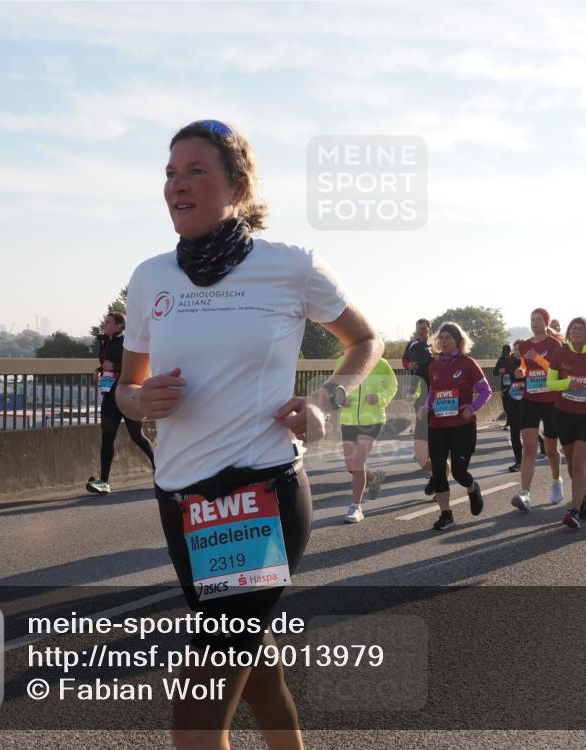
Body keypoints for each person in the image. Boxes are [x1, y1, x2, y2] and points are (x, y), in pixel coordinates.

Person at [116, 119, 382, 749]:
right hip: (180, 497)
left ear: (237, 186)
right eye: (170, 173)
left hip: (259, 489)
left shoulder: (289, 266)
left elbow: (365, 340)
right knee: (253, 663)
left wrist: (326, 398)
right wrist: (138, 398)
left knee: (199, 700)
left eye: (195, 171)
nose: (177, 185)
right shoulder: (150, 277)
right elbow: (126, 389)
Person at [420, 322, 490, 530]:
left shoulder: (468, 363)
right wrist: (427, 406)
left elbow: (485, 390)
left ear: (458, 341)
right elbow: (434, 391)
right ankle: (446, 514)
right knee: (439, 472)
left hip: (462, 426)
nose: (443, 341)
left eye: (448, 338)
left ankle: (472, 487)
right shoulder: (434, 365)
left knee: (459, 472)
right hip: (438, 424)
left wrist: (473, 406)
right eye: (440, 338)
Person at [545, 318, 586, 529]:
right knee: (572, 463)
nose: (576, 331)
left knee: (579, 463)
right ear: (569, 332)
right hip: (563, 413)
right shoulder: (560, 353)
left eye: (580, 328)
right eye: (573, 328)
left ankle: (573, 511)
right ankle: (585, 495)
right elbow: (550, 382)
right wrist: (567, 383)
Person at [85, 311, 155, 494]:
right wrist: (100, 369)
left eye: (108, 322)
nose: (104, 324)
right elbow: (107, 363)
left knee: (137, 436)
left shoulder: (127, 343)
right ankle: (104, 482)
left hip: (125, 396)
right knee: (107, 438)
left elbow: (137, 365)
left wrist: (113, 367)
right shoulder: (105, 341)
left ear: (118, 326)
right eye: (105, 321)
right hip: (110, 397)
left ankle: (160, 467)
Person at [510, 308, 566, 512]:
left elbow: (557, 370)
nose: (535, 322)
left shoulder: (555, 344)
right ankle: (525, 493)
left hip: (551, 400)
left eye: (539, 319)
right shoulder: (524, 345)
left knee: (551, 449)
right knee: (529, 447)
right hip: (530, 398)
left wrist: (538, 358)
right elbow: (525, 365)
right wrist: (521, 370)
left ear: (546, 323)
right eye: (532, 319)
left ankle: (556, 480)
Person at [335, 354, 397, 522]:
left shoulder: (382, 364)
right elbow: (335, 387)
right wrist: (340, 400)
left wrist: (379, 398)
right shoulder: (342, 361)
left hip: (373, 419)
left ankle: (355, 507)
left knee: (357, 463)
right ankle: (374, 477)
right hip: (348, 419)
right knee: (351, 466)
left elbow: (392, 387)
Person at [402, 318, 435, 493]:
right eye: (418, 328)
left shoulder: (435, 344)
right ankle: (430, 470)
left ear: (429, 329)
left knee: (433, 432)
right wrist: (410, 365)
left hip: (435, 393)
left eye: (424, 328)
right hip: (418, 393)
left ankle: (435, 476)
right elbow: (404, 361)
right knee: (422, 430)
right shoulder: (412, 345)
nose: (421, 331)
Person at [496, 341, 525, 471]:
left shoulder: (530, 361)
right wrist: (505, 390)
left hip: (527, 401)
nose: (518, 351)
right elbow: (504, 376)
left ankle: (541, 442)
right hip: (513, 399)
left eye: (521, 349)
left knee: (526, 429)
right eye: (516, 349)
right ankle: (519, 461)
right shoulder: (509, 361)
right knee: (514, 432)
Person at [493, 343, 513, 429]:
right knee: (505, 405)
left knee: (511, 404)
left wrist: (508, 370)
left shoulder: (513, 359)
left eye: (507, 352)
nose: (506, 354)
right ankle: (509, 421)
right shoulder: (501, 360)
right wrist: (500, 371)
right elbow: (494, 372)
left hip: (513, 385)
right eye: (505, 352)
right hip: (504, 385)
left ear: (510, 351)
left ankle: (510, 422)